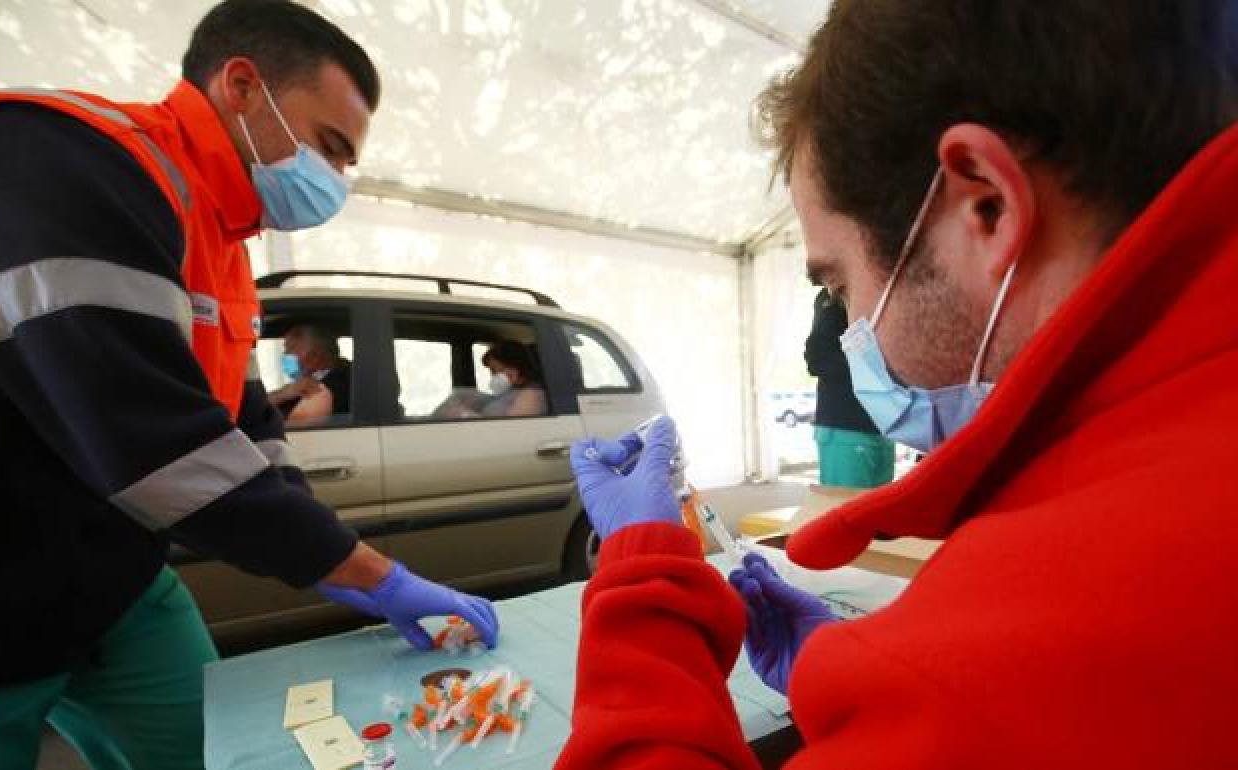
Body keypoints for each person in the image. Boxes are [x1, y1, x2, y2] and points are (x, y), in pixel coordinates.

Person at [557, 2, 1237, 768]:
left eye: (841, 284)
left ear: (985, 205)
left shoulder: (1045, 637)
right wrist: (855, 676)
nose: (855, 337)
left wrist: (643, 582)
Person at [0, 2, 497, 768]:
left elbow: (245, 417)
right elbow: (150, 442)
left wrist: (325, 542)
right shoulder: (70, 160)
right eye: (330, 148)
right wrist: (369, 571)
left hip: (113, 585)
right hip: (2, 588)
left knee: (217, 753)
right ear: (242, 85)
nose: (333, 181)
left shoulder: (222, 246)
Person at [804, 285, 895, 487]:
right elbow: (818, 358)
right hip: (847, 427)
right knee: (847, 509)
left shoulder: (884, 292)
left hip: (882, 426)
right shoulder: (835, 295)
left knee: (881, 513)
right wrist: (871, 363)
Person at [433, 340, 547, 419]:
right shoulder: (509, 392)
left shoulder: (532, 395)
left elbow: (513, 430)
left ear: (513, 368)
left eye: (494, 370)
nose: (492, 376)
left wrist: (465, 415)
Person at [268, 323, 353, 426]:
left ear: (317, 353)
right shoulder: (303, 382)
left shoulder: (338, 382)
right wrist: (282, 394)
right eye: (286, 349)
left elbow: (297, 427)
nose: (286, 355)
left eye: (292, 348)